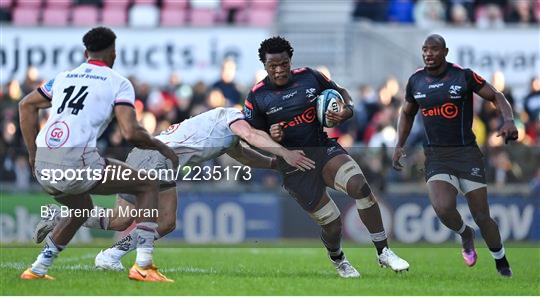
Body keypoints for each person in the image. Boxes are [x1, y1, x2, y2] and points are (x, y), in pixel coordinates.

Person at [34, 107, 315, 271]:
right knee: (165, 222)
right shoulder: (236, 118)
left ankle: (62, 220)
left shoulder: (231, 130)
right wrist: (286, 153)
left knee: (120, 220)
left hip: (144, 155)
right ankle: (111, 255)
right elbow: (252, 136)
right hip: (157, 159)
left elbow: (244, 153)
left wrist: (274, 164)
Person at [18, 27, 179, 282]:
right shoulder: (118, 82)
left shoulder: (63, 77)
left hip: (44, 165)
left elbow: (25, 104)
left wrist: (32, 153)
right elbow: (130, 132)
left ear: (85, 52)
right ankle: (143, 265)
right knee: (148, 184)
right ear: (114, 54)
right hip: (76, 162)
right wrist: (161, 146)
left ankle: (37, 268)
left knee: (81, 209)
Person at [244, 36, 409, 278]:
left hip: (323, 150)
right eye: (272, 66)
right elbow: (251, 135)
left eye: (284, 64)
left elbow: (341, 92)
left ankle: (384, 251)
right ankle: (338, 259)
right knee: (332, 224)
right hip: (293, 166)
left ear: (290, 60)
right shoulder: (257, 97)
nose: (279, 70)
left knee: (360, 187)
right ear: (264, 65)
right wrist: (272, 136)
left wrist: (346, 110)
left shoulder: (310, 77)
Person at [393, 34, 517, 277]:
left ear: (445, 52)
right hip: (436, 156)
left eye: (434, 49)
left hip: (467, 154)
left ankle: (501, 260)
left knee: (482, 216)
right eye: (425, 49)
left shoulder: (463, 75)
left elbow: (496, 96)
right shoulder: (416, 81)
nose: (428, 54)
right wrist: (399, 144)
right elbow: (407, 113)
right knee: (442, 207)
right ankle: (465, 234)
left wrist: (509, 120)